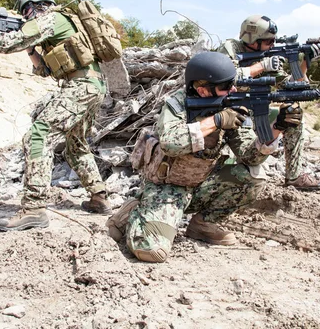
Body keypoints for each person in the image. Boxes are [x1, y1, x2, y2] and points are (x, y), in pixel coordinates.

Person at [105, 51, 300, 263]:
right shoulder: (178, 105)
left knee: (253, 175)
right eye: (226, 87)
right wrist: (216, 121)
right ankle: (132, 213)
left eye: (233, 84)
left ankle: (203, 225)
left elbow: (249, 156)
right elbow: (170, 143)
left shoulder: (230, 105)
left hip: (202, 183)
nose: (232, 90)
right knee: (152, 252)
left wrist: (276, 128)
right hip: (167, 187)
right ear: (202, 90)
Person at [0, 0, 111, 231]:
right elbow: (45, 71)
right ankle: (99, 197)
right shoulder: (61, 24)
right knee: (76, 144)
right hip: (93, 85)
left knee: (37, 136)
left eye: (26, 11)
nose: (26, 16)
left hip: (80, 87)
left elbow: (4, 45)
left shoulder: (50, 18)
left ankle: (34, 208)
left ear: (37, 7)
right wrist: (31, 49)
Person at [217, 14, 320, 191]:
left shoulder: (268, 55)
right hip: (227, 115)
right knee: (244, 160)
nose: (273, 44)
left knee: (293, 115)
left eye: (274, 41)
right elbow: (225, 78)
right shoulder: (229, 49)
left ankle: (294, 176)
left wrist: (305, 61)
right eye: (269, 41)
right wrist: (263, 66)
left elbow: (294, 87)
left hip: (255, 110)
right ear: (253, 40)